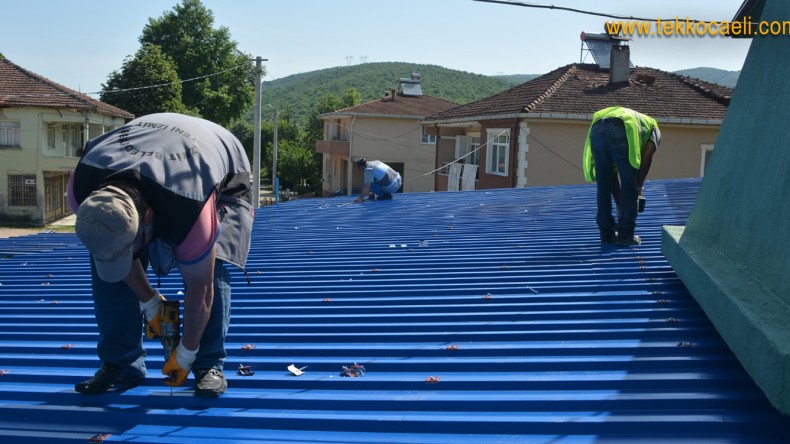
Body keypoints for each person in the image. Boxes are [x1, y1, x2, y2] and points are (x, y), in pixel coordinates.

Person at [67, 113, 254, 397]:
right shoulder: (82, 190)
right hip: (148, 151)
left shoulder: (191, 208)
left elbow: (200, 290)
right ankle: (121, 363)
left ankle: (208, 364)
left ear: (148, 216)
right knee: (107, 252)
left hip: (218, 156)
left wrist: (186, 352)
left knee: (213, 266)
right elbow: (113, 248)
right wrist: (151, 300)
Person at [582, 106, 660, 246]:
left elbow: (612, 178)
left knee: (603, 185)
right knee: (629, 183)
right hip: (621, 128)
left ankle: (606, 233)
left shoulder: (638, 125)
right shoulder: (654, 129)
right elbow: (646, 159)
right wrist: (638, 188)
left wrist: (620, 204)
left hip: (597, 130)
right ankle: (625, 235)